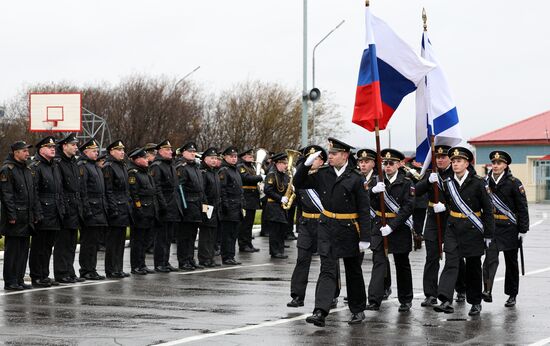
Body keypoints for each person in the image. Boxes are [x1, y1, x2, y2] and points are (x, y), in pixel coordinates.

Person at [294, 137, 370, 327]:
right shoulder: (323, 173)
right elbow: (298, 183)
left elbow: (363, 209)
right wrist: (305, 165)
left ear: (344, 155)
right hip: (327, 226)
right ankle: (320, 311)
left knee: (353, 270)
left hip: (349, 228)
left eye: (334, 154)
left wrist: (365, 238)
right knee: (327, 269)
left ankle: (358, 309)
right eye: (330, 154)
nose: (331, 157)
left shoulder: (355, 178)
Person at [433, 146, 494, 316]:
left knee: (473, 267)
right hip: (453, 228)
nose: (455, 164)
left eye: (459, 161)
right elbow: (447, 203)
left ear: (467, 163)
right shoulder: (447, 183)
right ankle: (445, 299)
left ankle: (475, 302)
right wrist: (442, 207)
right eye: (453, 161)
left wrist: (489, 234)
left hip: (473, 229)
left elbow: (488, 210)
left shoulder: (479, 182)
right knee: (451, 262)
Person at [288, 145, 339, 308]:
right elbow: (300, 206)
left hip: (324, 222)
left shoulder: (327, 176)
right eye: (308, 159)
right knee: (302, 259)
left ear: (322, 161)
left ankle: (331, 295)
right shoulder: (301, 178)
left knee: (329, 261)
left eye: (316, 158)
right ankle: (297, 295)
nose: (312, 161)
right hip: (306, 223)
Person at [367, 148, 415, 312]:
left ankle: (405, 299)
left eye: (391, 163)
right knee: (379, 262)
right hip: (380, 225)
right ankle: (374, 299)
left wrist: (392, 226)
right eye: (385, 163)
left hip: (399, 227)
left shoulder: (406, 183)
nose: (387, 166)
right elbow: (366, 201)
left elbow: (407, 208)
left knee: (402, 264)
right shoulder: (376, 181)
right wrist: (372, 192)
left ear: (399, 165)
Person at [482, 150, 529, 307]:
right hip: (493, 227)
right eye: (493, 163)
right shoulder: (485, 182)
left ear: (505, 165)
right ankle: (487, 291)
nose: (495, 166)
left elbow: (522, 207)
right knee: (490, 260)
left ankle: (512, 294)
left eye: (499, 163)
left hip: (510, 228)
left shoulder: (514, 183)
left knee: (511, 263)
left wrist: (523, 229)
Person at [0, 140, 41, 290]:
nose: (27, 153)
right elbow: (6, 195)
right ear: (16, 152)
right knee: (13, 251)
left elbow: (33, 194)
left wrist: (36, 213)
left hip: (27, 216)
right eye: (24, 151)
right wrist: (11, 215)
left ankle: (19, 278)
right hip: (15, 217)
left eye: (27, 150)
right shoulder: (8, 170)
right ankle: (10, 281)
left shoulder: (27, 169)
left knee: (23, 250)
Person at [356, 148, 393, 301]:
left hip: (375, 220)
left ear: (373, 164)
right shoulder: (356, 177)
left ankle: (384, 286)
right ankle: (356, 289)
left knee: (380, 256)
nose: (363, 165)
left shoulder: (380, 179)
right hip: (359, 221)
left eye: (366, 162)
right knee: (356, 257)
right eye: (361, 162)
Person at [28, 136, 64, 287]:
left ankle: (44, 275)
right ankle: (36, 276)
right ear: (41, 149)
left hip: (54, 212)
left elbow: (59, 190)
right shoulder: (36, 166)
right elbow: (34, 192)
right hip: (43, 212)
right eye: (49, 147)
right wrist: (37, 213)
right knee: (39, 247)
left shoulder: (54, 166)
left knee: (48, 246)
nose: (53, 149)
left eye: (54, 147)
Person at [55, 133, 85, 284]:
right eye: (73, 144)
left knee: (72, 242)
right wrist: (63, 207)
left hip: (75, 206)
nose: (76, 147)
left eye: (76, 144)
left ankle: (69, 271)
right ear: (64, 146)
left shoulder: (73, 162)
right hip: (66, 206)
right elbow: (60, 188)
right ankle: (61, 273)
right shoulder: (58, 162)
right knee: (63, 242)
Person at [77, 139, 108, 280]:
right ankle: (86, 270)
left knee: (94, 243)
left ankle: (92, 268)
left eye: (97, 151)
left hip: (99, 210)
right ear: (85, 152)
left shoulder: (95, 167)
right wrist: (86, 210)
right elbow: (83, 191)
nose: (97, 153)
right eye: (94, 151)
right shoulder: (83, 166)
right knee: (88, 243)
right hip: (90, 210)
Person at [150, 140, 183, 272]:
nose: (170, 152)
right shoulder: (157, 166)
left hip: (172, 205)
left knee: (168, 237)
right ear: (160, 151)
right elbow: (156, 188)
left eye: (171, 150)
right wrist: (162, 205)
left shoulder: (170, 165)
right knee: (161, 237)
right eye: (167, 150)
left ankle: (166, 261)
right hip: (164, 207)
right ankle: (159, 263)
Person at [103, 140, 132, 278]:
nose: (122, 152)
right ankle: (111, 269)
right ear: (111, 152)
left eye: (123, 150)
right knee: (113, 241)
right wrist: (113, 208)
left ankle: (118, 267)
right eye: (119, 150)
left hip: (123, 207)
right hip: (115, 208)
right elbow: (108, 190)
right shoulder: (109, 166)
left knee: (120, 241)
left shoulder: (122, 166)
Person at [175, 141, 205, 270]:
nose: (193, 154)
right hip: (188, 204)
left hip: (196, 204)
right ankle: (183, 261)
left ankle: (190, 259)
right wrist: (184, 207)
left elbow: (200, 188)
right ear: (183, 153)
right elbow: (180, 188)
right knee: (184, 236)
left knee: (192, 235)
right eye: (190, 152)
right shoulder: (182, 167)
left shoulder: (195, 167)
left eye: (194, 152)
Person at [128, 147, 158, 274]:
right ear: (137, 159)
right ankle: (136, 266)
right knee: (137, 241)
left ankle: (142, 264)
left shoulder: (146, 172)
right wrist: (138, 208)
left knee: (145, 240)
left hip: (149, 210)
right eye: (144, 158)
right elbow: (134, 194)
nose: (147, 160)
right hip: (140, 211)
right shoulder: (133, 173)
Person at [218, 146, 244, 265]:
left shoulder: (235, 170)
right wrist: (225, 205)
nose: (234, 159)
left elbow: (239, 190)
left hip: (237, 206)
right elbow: (222, 190)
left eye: (235, 157)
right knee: (227, 234)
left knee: (234, 233)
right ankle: (226, 256)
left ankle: (231, 255)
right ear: (225, 157)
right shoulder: (224, 170)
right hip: (229, 206)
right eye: (231, 157)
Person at [263, 152, 290, 259]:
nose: (286, 165)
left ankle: (280, 250)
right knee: (275, 231)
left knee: (282, 229)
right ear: (277, 164)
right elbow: (267, 190)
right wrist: (280, 198)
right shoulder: (272, 174)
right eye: (284, 163)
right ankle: (275, 251)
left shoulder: (285, 175)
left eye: (286, 163)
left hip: (282, 206)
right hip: (273, 205)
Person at [199, 147, 222, 267]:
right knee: (206, 234)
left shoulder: (214, 172)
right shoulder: (203, 173)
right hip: (207, 206)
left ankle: (210, 257)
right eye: (211, 158)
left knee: (212, 234)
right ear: (205, 159)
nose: (214, 160)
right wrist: (205, 208)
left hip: (216, 206)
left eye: (215, 158)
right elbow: (202, 192)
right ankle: (204, 258)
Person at [237, 148, 262, 252]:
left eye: (252, 156)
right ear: (243, 156)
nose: (252, 157)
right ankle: (243, 244)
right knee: (245, 224)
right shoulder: (241, 166)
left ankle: (249, 243)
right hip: (246, 197)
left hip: (252, 197)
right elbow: (247, 178)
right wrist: (260, 177)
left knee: (250, 223)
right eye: (249, 156)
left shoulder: (250, 166)